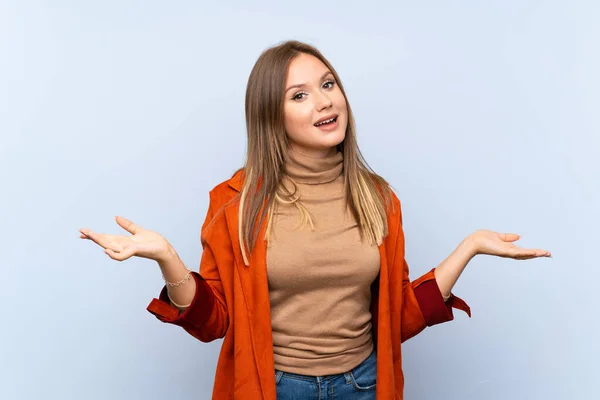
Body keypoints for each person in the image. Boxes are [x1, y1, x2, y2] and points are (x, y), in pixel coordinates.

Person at [79, 40, 551, 400]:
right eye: (299, 95)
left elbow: (397, 317)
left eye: (328, 85)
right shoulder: (236, 202)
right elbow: (215, 322)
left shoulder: (378, 198)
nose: (324, 101)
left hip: (364, 385)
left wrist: (468, 247)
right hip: (275, 387)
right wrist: (167, 258)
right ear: (272, 117)